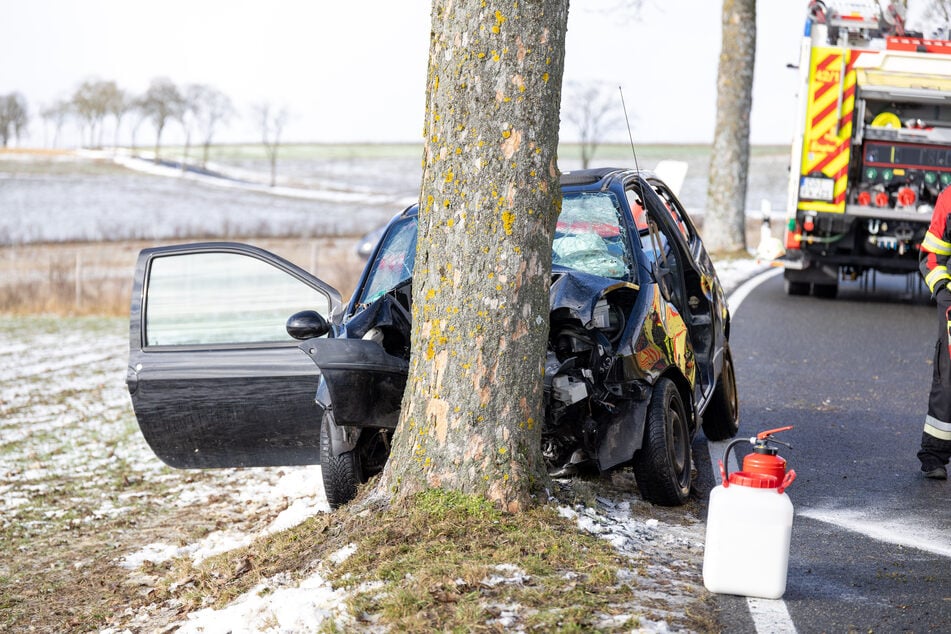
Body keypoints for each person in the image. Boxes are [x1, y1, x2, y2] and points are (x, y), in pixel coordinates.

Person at [918, 186, 951, 479]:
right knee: (947, 378)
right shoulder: (950, 198)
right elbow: (932, 254)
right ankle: (934, 455)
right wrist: (942, 290)